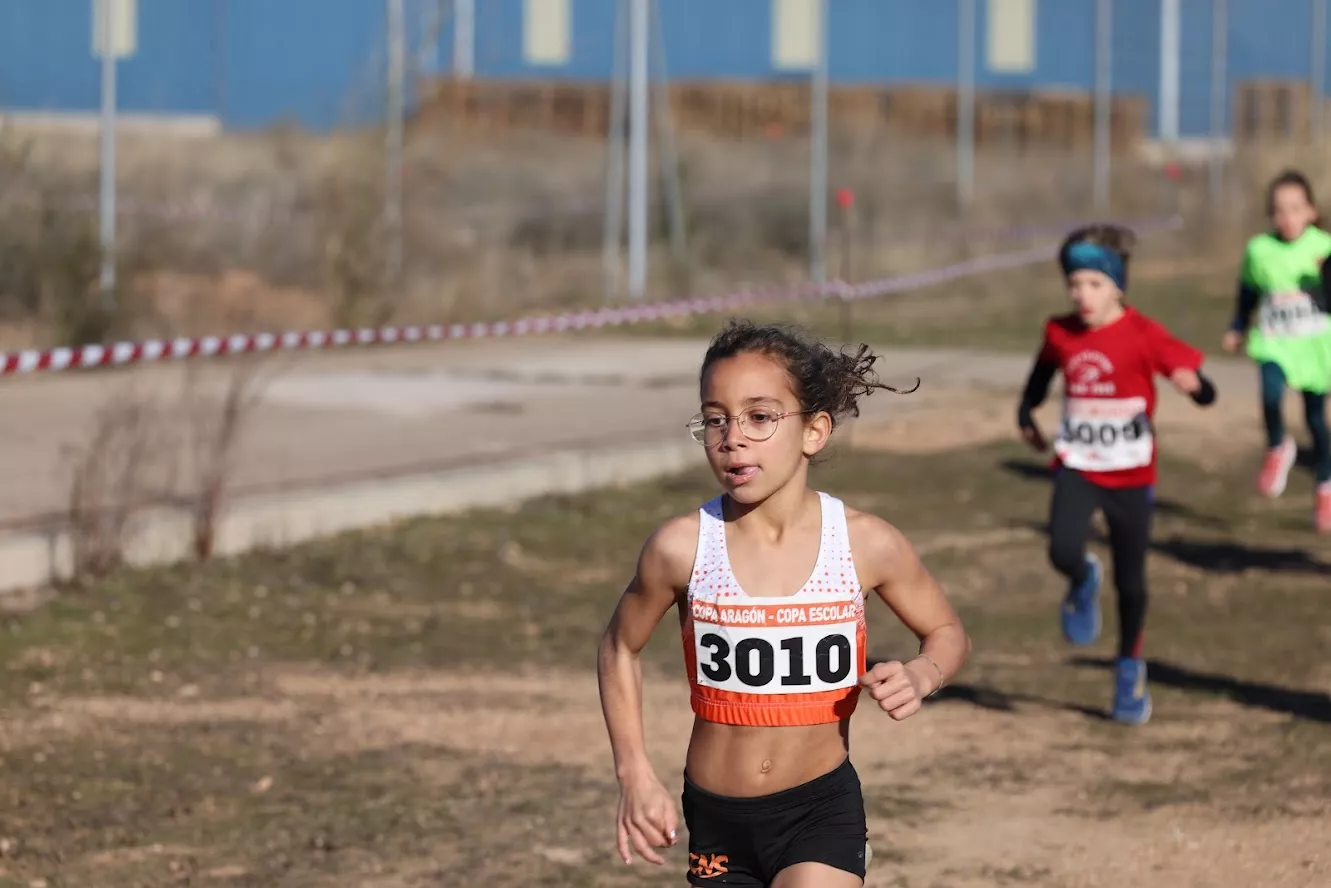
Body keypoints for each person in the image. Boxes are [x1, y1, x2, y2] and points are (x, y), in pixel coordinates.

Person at [596, 320, 971, 887]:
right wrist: (634, 772)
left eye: (760, 417)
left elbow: (947, 630)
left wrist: (923, 674)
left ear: (814, 431)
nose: (732, 438)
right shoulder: (681, 547)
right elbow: (620, 647)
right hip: (717, 819)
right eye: (715, 419)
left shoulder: (865, 542)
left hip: (819, 811)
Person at [1016, 224, 1217, 726]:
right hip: (1078, 465)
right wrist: (1026, 413)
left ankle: (1129, 668)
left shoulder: (1143, 333)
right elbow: (1040, 378)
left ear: (1119, 285)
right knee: (1062, 549)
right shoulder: (1060, 332)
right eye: (1075, 284)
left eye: (1094, 284)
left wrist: (1197, 387)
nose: (1082, 295)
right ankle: (1083, 577)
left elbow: (1196, 381)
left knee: (1132, 580)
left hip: (1131, 473)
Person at [1222, 169, 1331, 532]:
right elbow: (1249, 291)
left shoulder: (1323, 248)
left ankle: (1325, 488)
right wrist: (1237, 326)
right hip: (1275, 340)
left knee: (1317, 421)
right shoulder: (1259, 250)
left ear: (1312, 211)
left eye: (1296, 209)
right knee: (1269, 394)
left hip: (1316, 347)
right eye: (1280, 210)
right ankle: (1278, 446)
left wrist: (1326, 275)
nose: (1288, 217)